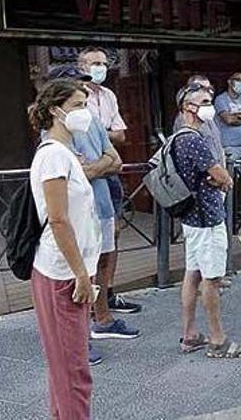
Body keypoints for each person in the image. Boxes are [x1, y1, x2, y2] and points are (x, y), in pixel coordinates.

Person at [27, 78, 101, 419]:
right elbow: (58, 220)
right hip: (63, 274)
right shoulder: (54, 156)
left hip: (65, 271)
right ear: (56, 111)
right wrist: (81, 275)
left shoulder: (63, 153)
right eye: (77, 106)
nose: (84, 113)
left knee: (66, 369)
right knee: (73, 373)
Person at [174, 83, 241, 358]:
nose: (210, 106)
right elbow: (218, 173)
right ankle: (218, 340)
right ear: (188, 107)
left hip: (192, 218)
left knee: (192, 274)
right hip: (206, 217)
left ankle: (190, 334)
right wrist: (225, 179)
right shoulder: (193, 138)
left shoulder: (178, 136)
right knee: (211, 279)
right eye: (204, 100)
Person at [77, 48, 141, 315]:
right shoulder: (75, 97)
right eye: (94, 63)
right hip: (87, 177)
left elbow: (121, 136)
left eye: (103, 63)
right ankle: (89, 297)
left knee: (112, 233)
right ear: (81, 66)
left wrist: (98, 134)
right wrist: (104, 135)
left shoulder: (109, 95)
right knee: (88, 235)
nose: (100, 67)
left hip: (110, 172)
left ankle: (108, 292)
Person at [173, 76, 225, 168]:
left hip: (217, 172)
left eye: (209, 88)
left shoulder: (209, 117)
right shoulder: (185, 119)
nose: (207, 92)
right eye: (202, 88)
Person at [215, 72, 241, 167]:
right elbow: (229, 120)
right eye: (238, 80)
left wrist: (236, 116)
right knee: (232, 176)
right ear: (229, 81)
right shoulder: (221, 99)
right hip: (230, 147)